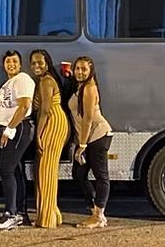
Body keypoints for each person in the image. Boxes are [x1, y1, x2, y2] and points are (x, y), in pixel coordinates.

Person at [0, 50, 36, 230]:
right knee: (16, 171)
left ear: (20, 65)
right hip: (8, 128)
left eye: (14, 61)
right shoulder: (8, 83)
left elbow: (25, 105)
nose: (11, 64)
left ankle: (10, 214)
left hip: (18, 128)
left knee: (6, 169)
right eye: (8, 61)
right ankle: (21, 213)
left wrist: (9, 129)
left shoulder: (22, 79)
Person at [69, 56, 114, 228]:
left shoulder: (89, 88)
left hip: (97, 135)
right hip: (87, 137)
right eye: (77, 69)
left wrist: (82, 146)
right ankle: (94, 207)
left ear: (90, 71)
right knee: (79, 174)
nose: (80, 72)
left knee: (101, 176)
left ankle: (99, 216)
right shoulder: (80, 87)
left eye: (84, 69)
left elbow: (87, 119)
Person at [30, 49, 69, 229]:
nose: (36, 66)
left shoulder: (46, 81)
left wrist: (38, 134)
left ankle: (46, 220)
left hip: (52, 122)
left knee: (46, 172)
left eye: (40, 62)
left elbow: (45, 110)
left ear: (47, 63)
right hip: (55, 121)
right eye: (33, 63)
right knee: (46, 171)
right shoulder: (45, 80)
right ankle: (51, 214)